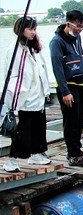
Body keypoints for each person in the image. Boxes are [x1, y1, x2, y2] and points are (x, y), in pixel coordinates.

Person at [49, 10, 83, 167]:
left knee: (81, 118)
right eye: (78, 26)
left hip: (81, 83)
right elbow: (57, 68)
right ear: (68, 23)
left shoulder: (77, 38)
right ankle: (73, 155)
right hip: (68, 86)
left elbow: (79, 57)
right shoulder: (57, 42)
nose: (80, 29)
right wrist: (65, 92)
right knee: (71, 121)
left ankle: (78, 150)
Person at [2, 17, 52, 172]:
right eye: (30, 29)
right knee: (23, 130)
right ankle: (12, 160)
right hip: (24, 97)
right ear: (21, 29)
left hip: (38, 95)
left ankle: (36, 153)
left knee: (38, 127)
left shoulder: (34, 48)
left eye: (35, 29)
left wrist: (46, 91)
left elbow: (41, 70)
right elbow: (14, 75)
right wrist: (14, 99)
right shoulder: (15, 50)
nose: (33, 32)